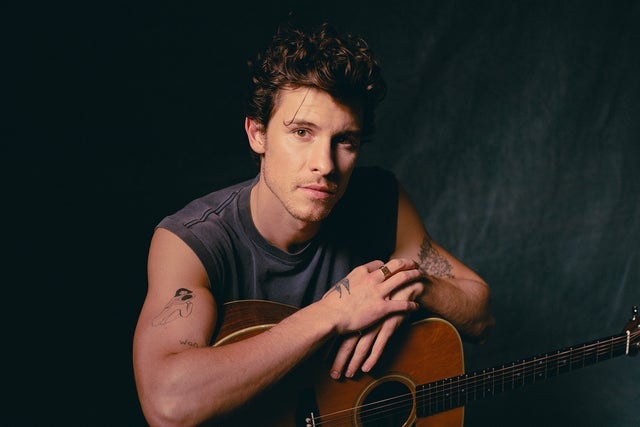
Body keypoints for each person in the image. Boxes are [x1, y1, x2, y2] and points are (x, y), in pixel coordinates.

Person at [133, 20, 494, 427]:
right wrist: (333, 313)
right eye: (302, 132)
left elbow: (480, 315)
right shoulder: (191, 242)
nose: (325, 164)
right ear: (257, 134)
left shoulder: (378, 200)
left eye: (345, 141)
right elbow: (168, 404)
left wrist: (412, 284)